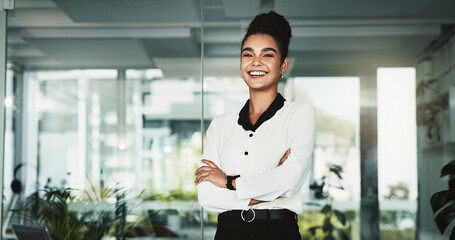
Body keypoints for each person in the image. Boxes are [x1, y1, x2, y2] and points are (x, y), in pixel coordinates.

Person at [195, 11, 315, 240]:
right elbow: (207, 196)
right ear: (241, 65)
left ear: (283, 65)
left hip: (279, 232)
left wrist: (228, 182)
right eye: (247, 55)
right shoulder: (220, 125)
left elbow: (291, 179)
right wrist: (271, 189)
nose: (256, 62)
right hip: (229, 232)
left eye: (267, 55)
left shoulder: (299, 114)